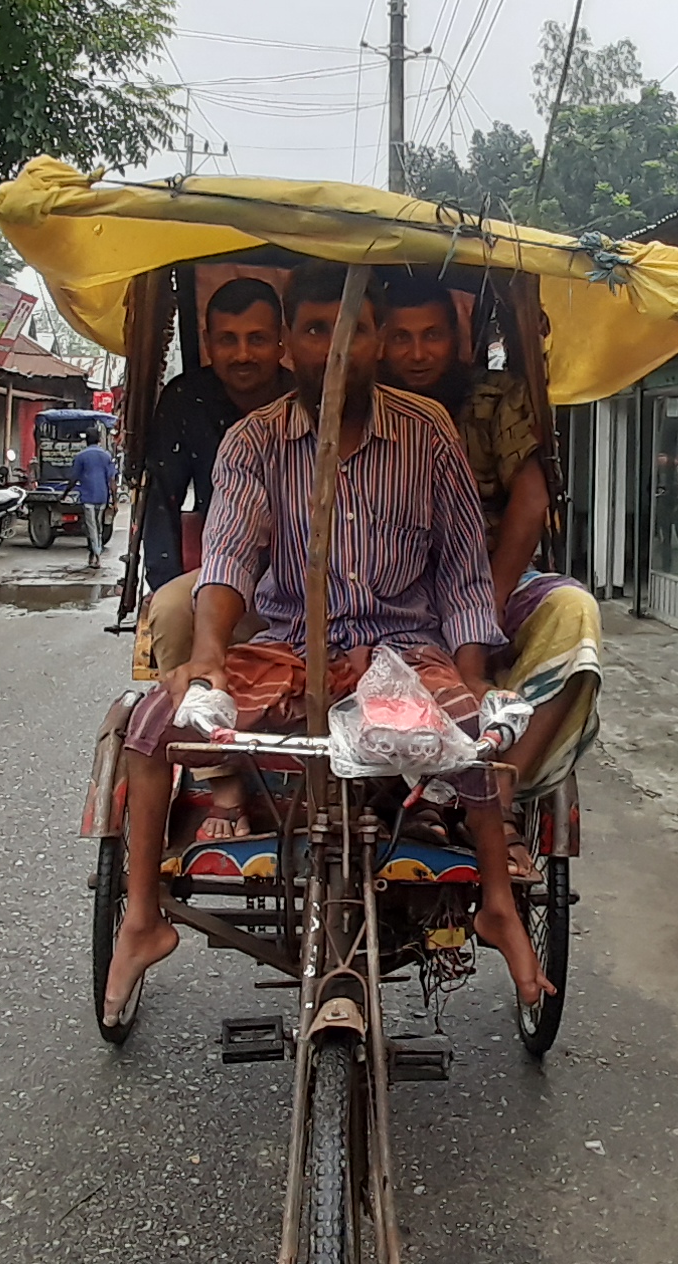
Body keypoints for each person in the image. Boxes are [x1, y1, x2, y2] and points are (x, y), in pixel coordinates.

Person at [101, 261, 552, 1026]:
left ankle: (498, 906)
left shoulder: (427, 432)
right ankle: (143, 920)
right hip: (289, 647)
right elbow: (230, 555)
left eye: (353, 330)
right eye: (316, 330)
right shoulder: (254, 439)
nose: (335, 348)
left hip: (402, 651)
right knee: (149, 727)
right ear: (290, 344)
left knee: (472, 732)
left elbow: (462, 568)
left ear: (375, 340)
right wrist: (207, 657)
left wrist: (472, 674)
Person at [376, 271, 602, 881]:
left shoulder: (494, 397)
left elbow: (530, 502)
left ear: (457, 337)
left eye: (431, 335)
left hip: (492, 574)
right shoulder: (362, 402)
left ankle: (498, 796)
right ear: (379, 341)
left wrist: (488, 598)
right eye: (401, 338)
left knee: (575, 613)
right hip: (394, 590)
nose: (417, 353)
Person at [139, 277, 291, 590]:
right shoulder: (186, 400)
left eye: (257, 339)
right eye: (228, 340)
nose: (243, 355)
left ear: (281, 341)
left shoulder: (304, 400)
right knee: (168, 610)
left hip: (298, 571)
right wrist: (164, 587)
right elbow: (161, 500)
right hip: (217, 569)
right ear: (208, 343)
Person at [72, 428, 118, 565]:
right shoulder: (106, 456)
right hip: (102, 497)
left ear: (86, 440)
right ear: (99, 440)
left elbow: (74, 478)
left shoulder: (81, 456)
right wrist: (115, 501)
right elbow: (112, 480)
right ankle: (94, 553)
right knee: (98, 527)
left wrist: (65, 493)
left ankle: (97, 555)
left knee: (91, 527)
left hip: (88, 497)